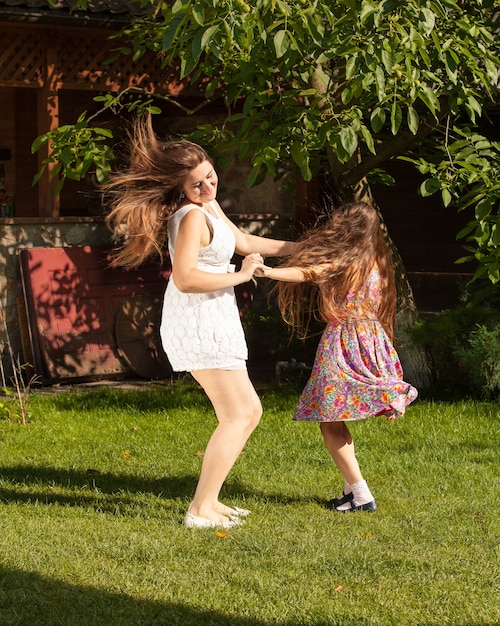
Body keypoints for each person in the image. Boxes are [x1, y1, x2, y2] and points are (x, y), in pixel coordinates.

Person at [104, 115, 297, 529]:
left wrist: (305, 248)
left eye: (210, 177)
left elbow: (243, 242)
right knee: (238, 415)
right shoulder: (190, 217)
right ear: (180, 188)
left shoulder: (208, 207)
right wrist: (242, 276)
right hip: (197, 320)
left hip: (216, 315)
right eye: (197, 184)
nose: (208, 187)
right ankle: (199, 509)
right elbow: (186, 277)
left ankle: (210, 502)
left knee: (250, 410)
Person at [255, 201, 418, 512]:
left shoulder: (348, 261)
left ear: (350, 229)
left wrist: (268, 271)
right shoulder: (377, 262)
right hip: (371, 339)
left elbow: (309, 273)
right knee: (336, 419)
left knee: (329, 421)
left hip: (344, 342)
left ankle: (362, 495)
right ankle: (349, 491)